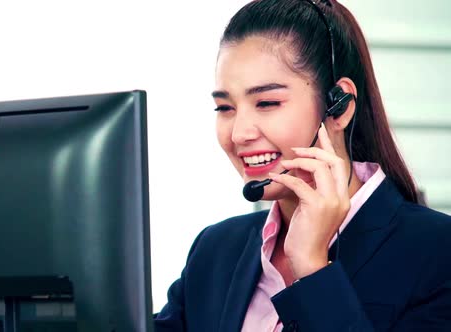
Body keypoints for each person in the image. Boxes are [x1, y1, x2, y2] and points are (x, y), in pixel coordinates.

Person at [153, 0, 451, 331]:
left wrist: (312, 269)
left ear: (338, 105)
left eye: (267, 103)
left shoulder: (438, 252)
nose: (239, 134)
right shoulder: (216, 249)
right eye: (225, 108)